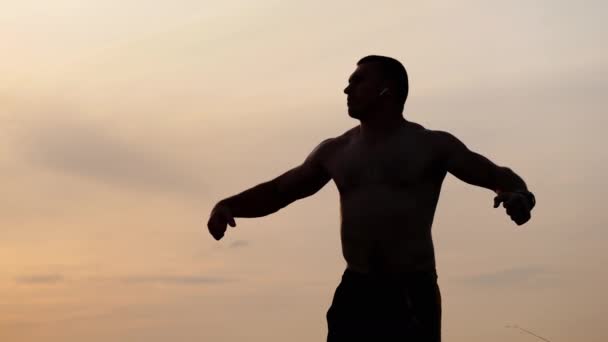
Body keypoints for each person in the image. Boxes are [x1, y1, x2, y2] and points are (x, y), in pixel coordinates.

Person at [206, 55, 536, 341]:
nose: (347, 89)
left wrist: (519, 195)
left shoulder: (431, 146)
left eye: (358, 81)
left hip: (411, 292)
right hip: (356, 291)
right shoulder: (335, 151)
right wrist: (229, 205)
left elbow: (496, 175)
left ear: (386, 89)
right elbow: (280, 191)